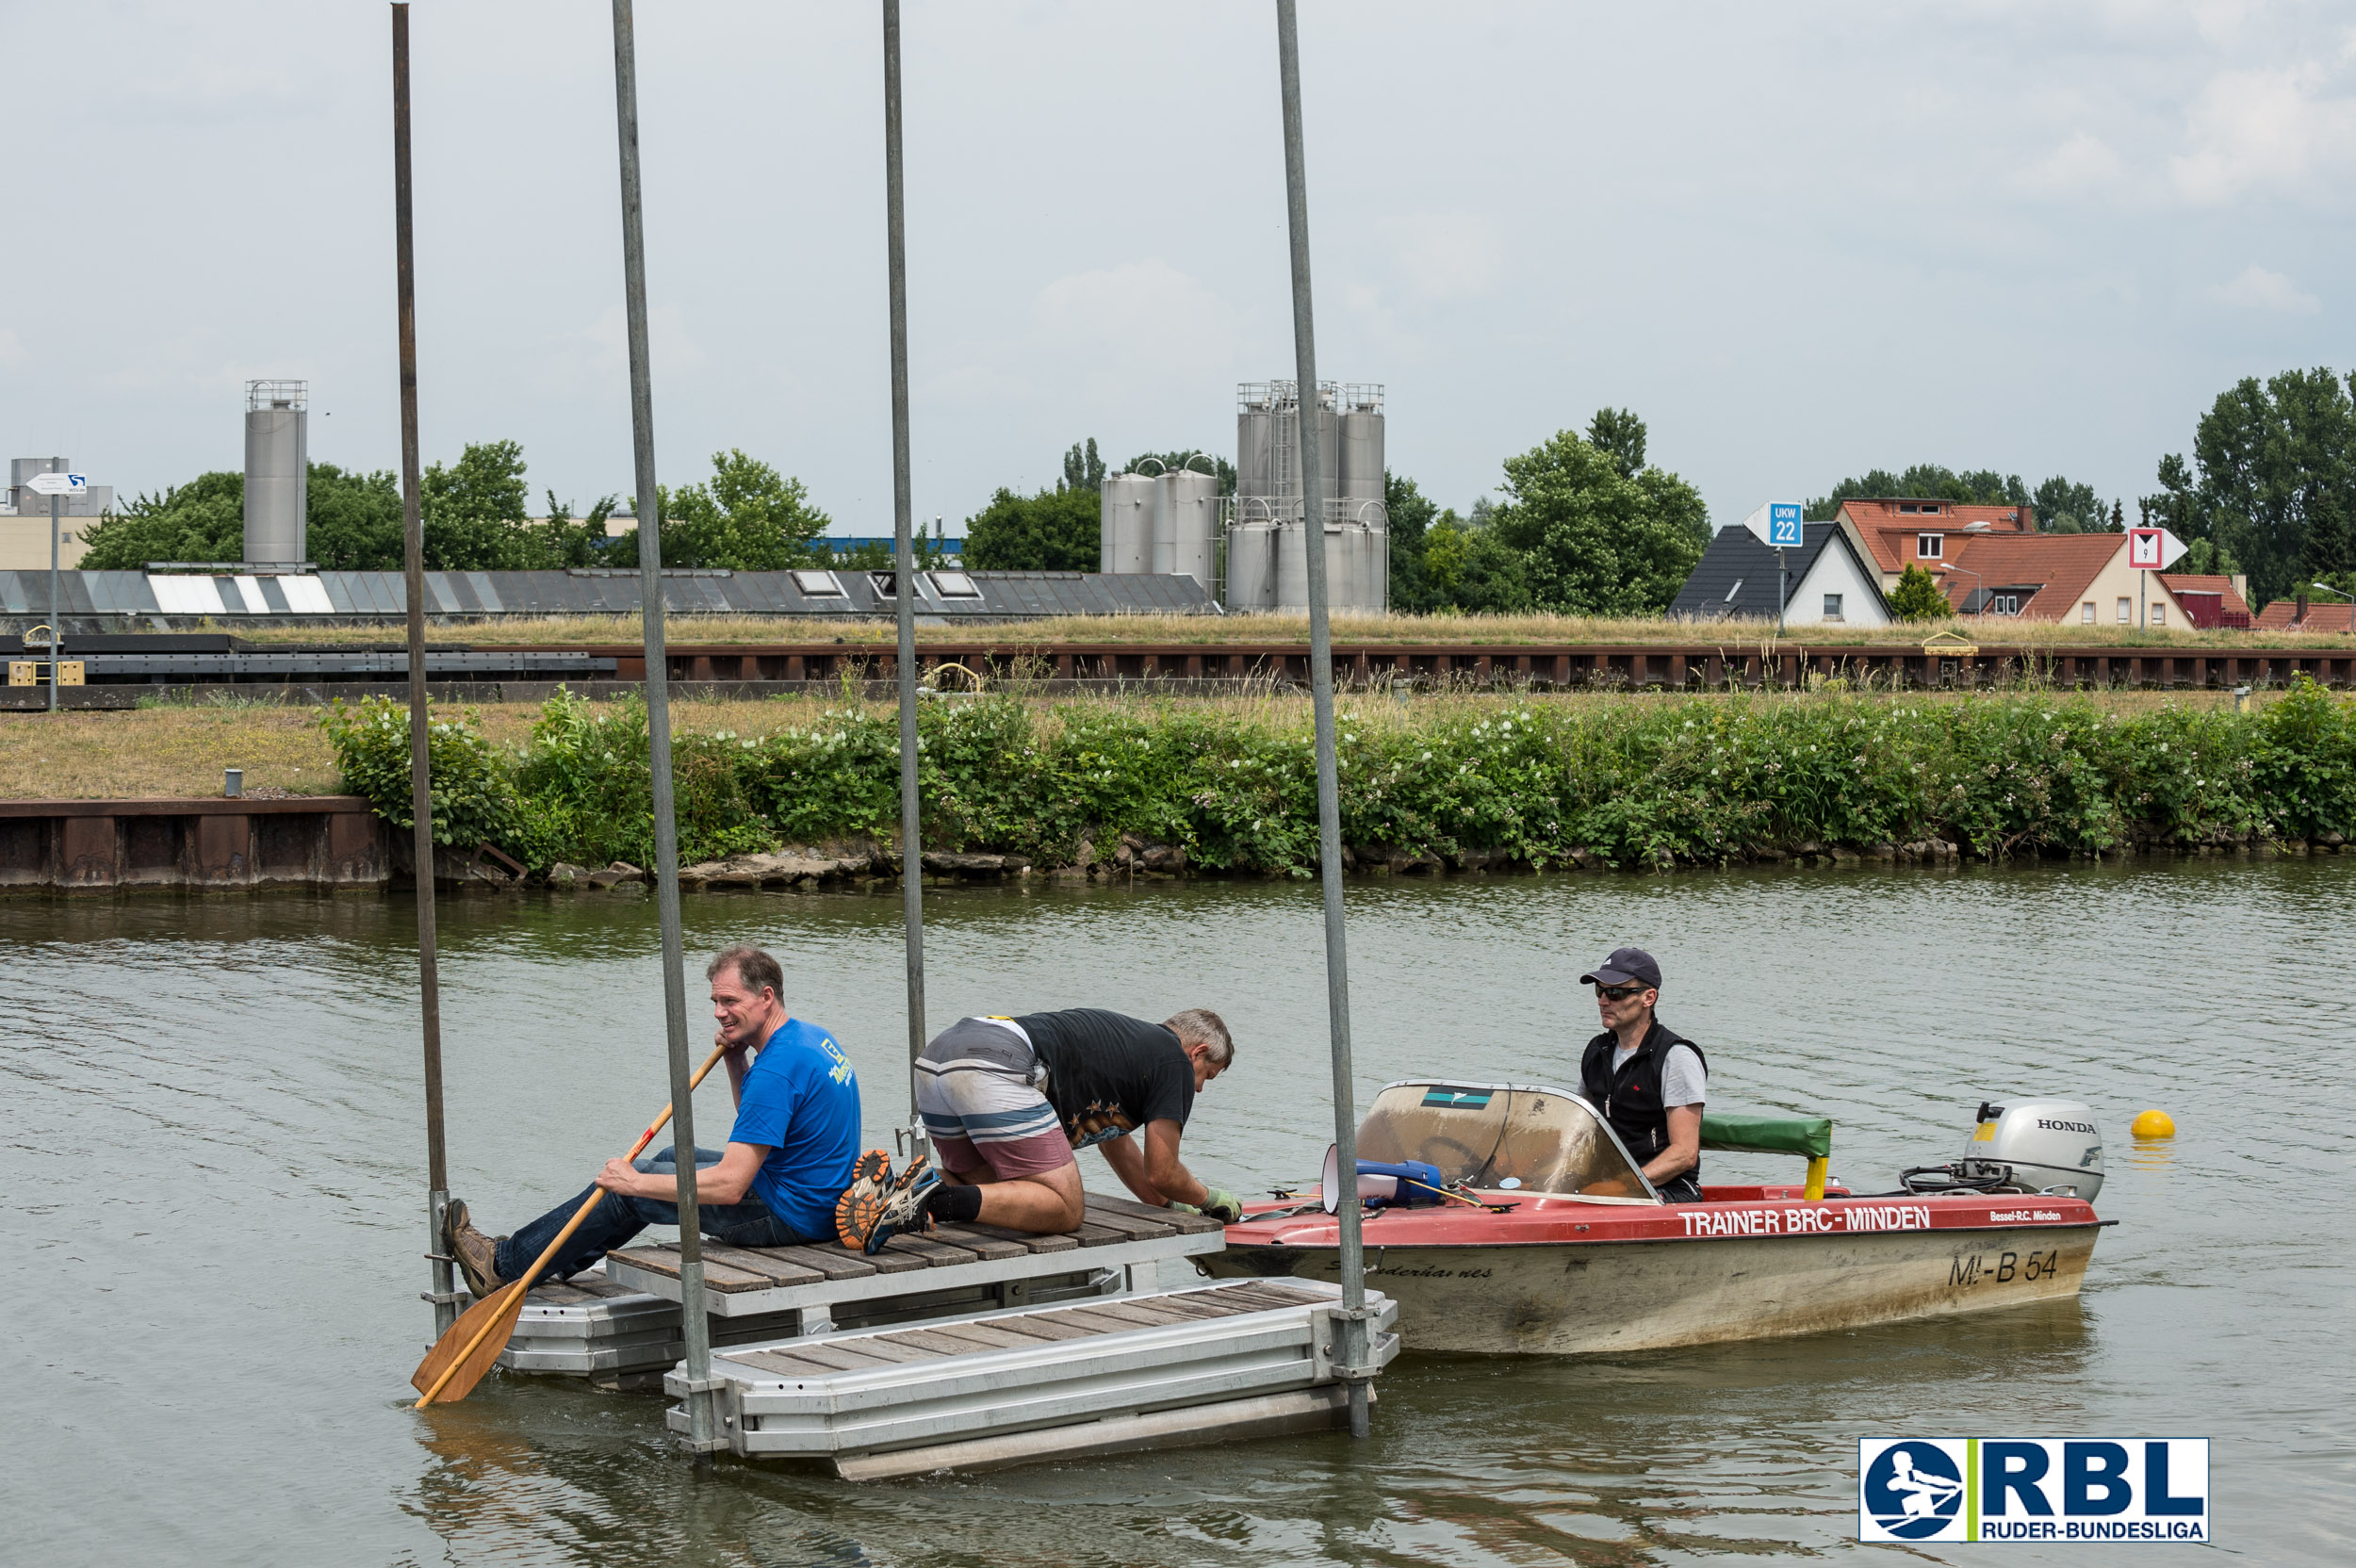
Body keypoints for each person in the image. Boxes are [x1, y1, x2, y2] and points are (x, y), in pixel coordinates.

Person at [443, 944, 875, 1296]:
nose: (719, 1012)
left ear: (766, 997)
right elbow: (765, 1121)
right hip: (819, 1200)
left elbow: (730, 1186)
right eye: (715, 1002)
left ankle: (503, 1266)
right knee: (671, 1156)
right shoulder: (812, 1037)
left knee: (631, 1186)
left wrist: (635, 1185)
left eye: (730, 1001)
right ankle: (554, 1262)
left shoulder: (776, 1070)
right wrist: (735, 1061)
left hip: (789, 1216)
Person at [843, 1006, 1241, 1252]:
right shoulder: (1172, 1060)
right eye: (1208, 1075)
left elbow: (1127, 1156)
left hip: (938, 1057)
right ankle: (929, 1202)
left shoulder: (1131, 1049)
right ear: (1198, 1052)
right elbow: (1163, 1170)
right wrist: (1210, 1198)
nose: (1199, 1088)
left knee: (993, 1188)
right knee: (1066, 1209)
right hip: (996, 1063)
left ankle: (887, 1194)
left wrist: (1173, 1205)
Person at [1577, 946, 1709, 1203]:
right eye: (1599, 991)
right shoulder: (1596, 1051)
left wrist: (1622, 1186)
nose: (1603, 1001)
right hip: (1607, 1184)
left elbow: (1684, 1153)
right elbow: (1576, 1127)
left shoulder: (1677, 1058)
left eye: (1615, 993)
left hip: (1669, 1189)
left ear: (1649, 997)